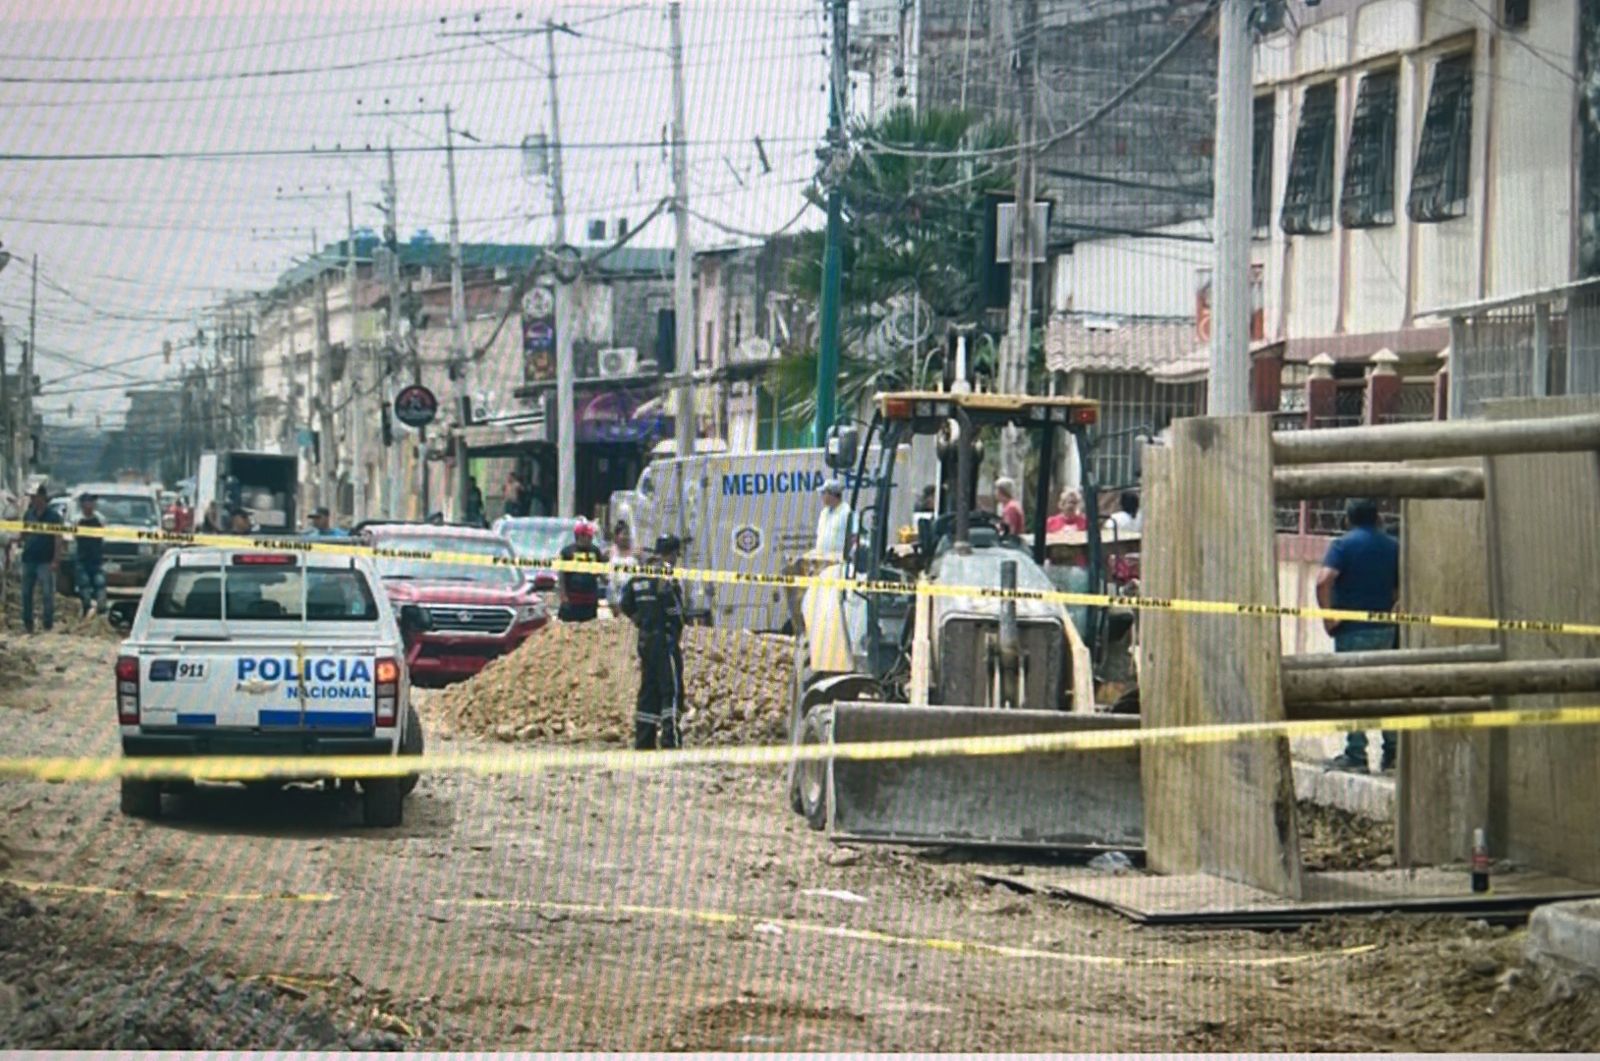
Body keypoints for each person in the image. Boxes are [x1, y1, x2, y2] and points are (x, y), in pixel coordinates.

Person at [1319, 498, 1400, 774]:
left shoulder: (1342, 545)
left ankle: (1356, 754)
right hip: (1386, 629)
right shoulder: (1393, 546)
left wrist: (1329, 617)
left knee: (1352, 692)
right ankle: (1392, 754)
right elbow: (1399, 587)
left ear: (1347, 518)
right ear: (1377, 516)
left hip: (1352, 629)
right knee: (1386, 690)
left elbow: (1323, 580)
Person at [618, 534, 686, 750]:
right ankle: (670, 739)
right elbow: (675, 611)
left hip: (645, 640)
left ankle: (644, 740)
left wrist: (640, 620)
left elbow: (625, 603)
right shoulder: (665, 577)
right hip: (664, 640)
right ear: (673, 553)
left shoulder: (639, 576)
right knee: (671, 690)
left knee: (648, 690)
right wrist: (675, 628)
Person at [18, 485, 60, 634]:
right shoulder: (28, 514)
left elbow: (57, 538)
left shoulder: (53, 516)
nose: (33, 500)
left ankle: (47, 624)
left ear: (42, 497)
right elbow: (23, 534)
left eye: (35, 497)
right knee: (26, 593)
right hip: (29, 559)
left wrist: (56, 559)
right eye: (31, 498)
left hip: (45, 560)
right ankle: (28, 624)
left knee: (47, 593)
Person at [556, 519, 604, 623]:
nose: (589, 539)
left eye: (591, 536)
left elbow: (601, 572)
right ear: (579, 536)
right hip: (572, 599)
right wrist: (563, 596)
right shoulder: (567, 552)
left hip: (590, 599)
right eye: (587, 536)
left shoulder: (595, 551)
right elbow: (561, 575)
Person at [74, 493, 108, 618]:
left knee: (100, 584)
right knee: (84, 586)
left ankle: (101, 611)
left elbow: (103, 537)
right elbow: (73, 537)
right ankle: (86, 609)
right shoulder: (77, 520)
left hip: (96, 558)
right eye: (87, 502)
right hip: (82, 558)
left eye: (92, 502)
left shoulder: (100, 519)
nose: (90, 505)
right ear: (82, 504)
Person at [814, 479, 851, 557]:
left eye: (824, 493)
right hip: (822, 560)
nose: (821, 496)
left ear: (832, 494)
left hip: (838, 563)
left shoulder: (848, 512)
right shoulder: (824, 512)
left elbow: (854, 539)